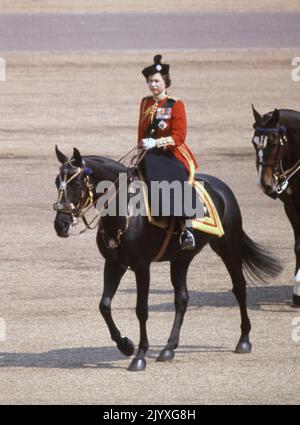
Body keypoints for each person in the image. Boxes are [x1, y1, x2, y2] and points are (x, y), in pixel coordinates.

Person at [137, 54, 199, 250]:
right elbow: (141, 131)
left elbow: (179, 136)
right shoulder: (145, 103)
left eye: (157, 81)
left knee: (173, 176)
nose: (153, 85)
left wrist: (155, 143)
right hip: (149, 153)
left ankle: (186, 228)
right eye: (150, 81)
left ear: (165, 82)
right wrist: (141, 147)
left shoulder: (175, 104)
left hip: (172, 152)